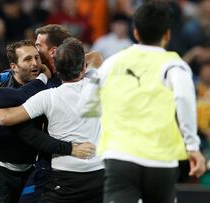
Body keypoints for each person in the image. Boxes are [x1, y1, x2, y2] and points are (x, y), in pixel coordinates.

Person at [77, 2, 206, 203]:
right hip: (161, 159)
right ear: (167, 34)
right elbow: (183, 98)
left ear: (135, 32)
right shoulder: (174, 65)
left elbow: (86, 105)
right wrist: (192, 146)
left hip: (119, 156)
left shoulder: (112, 62)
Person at [0, 38, 104, 203]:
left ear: (56, 70)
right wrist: (74, 60)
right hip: (99, 173)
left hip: (65, 176)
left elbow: (5, 118)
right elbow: (96, 57)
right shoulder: (98, 83)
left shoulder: (48, 97)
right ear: (83, 68)